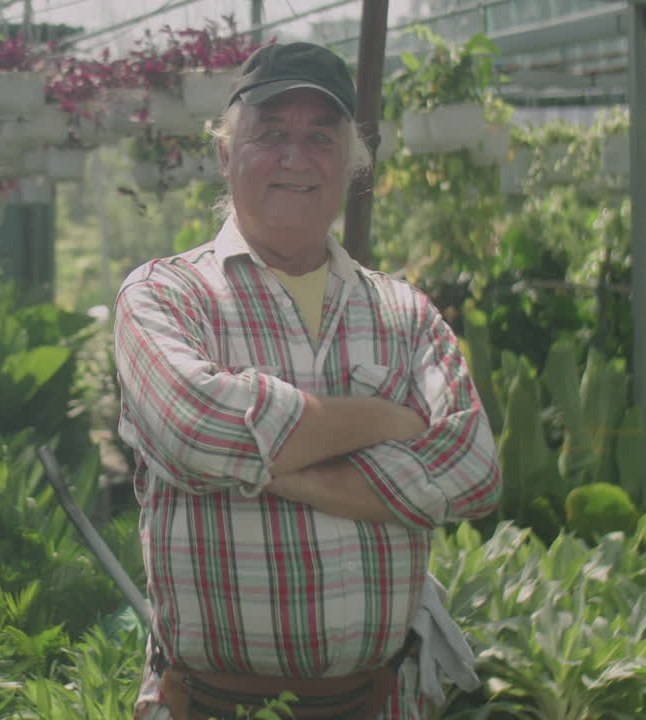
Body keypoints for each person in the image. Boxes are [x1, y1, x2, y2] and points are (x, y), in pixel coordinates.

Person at [113, 41, 501, 720]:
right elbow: (198, 428)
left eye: (321, 136)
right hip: (211, 706)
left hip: (379, 703)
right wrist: (390, 422)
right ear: (225, 155)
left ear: (351, 166)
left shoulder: (404, 313)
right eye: (270, 134)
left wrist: (257, 464)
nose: (296, 157)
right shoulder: (165, 296)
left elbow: (472, 469)